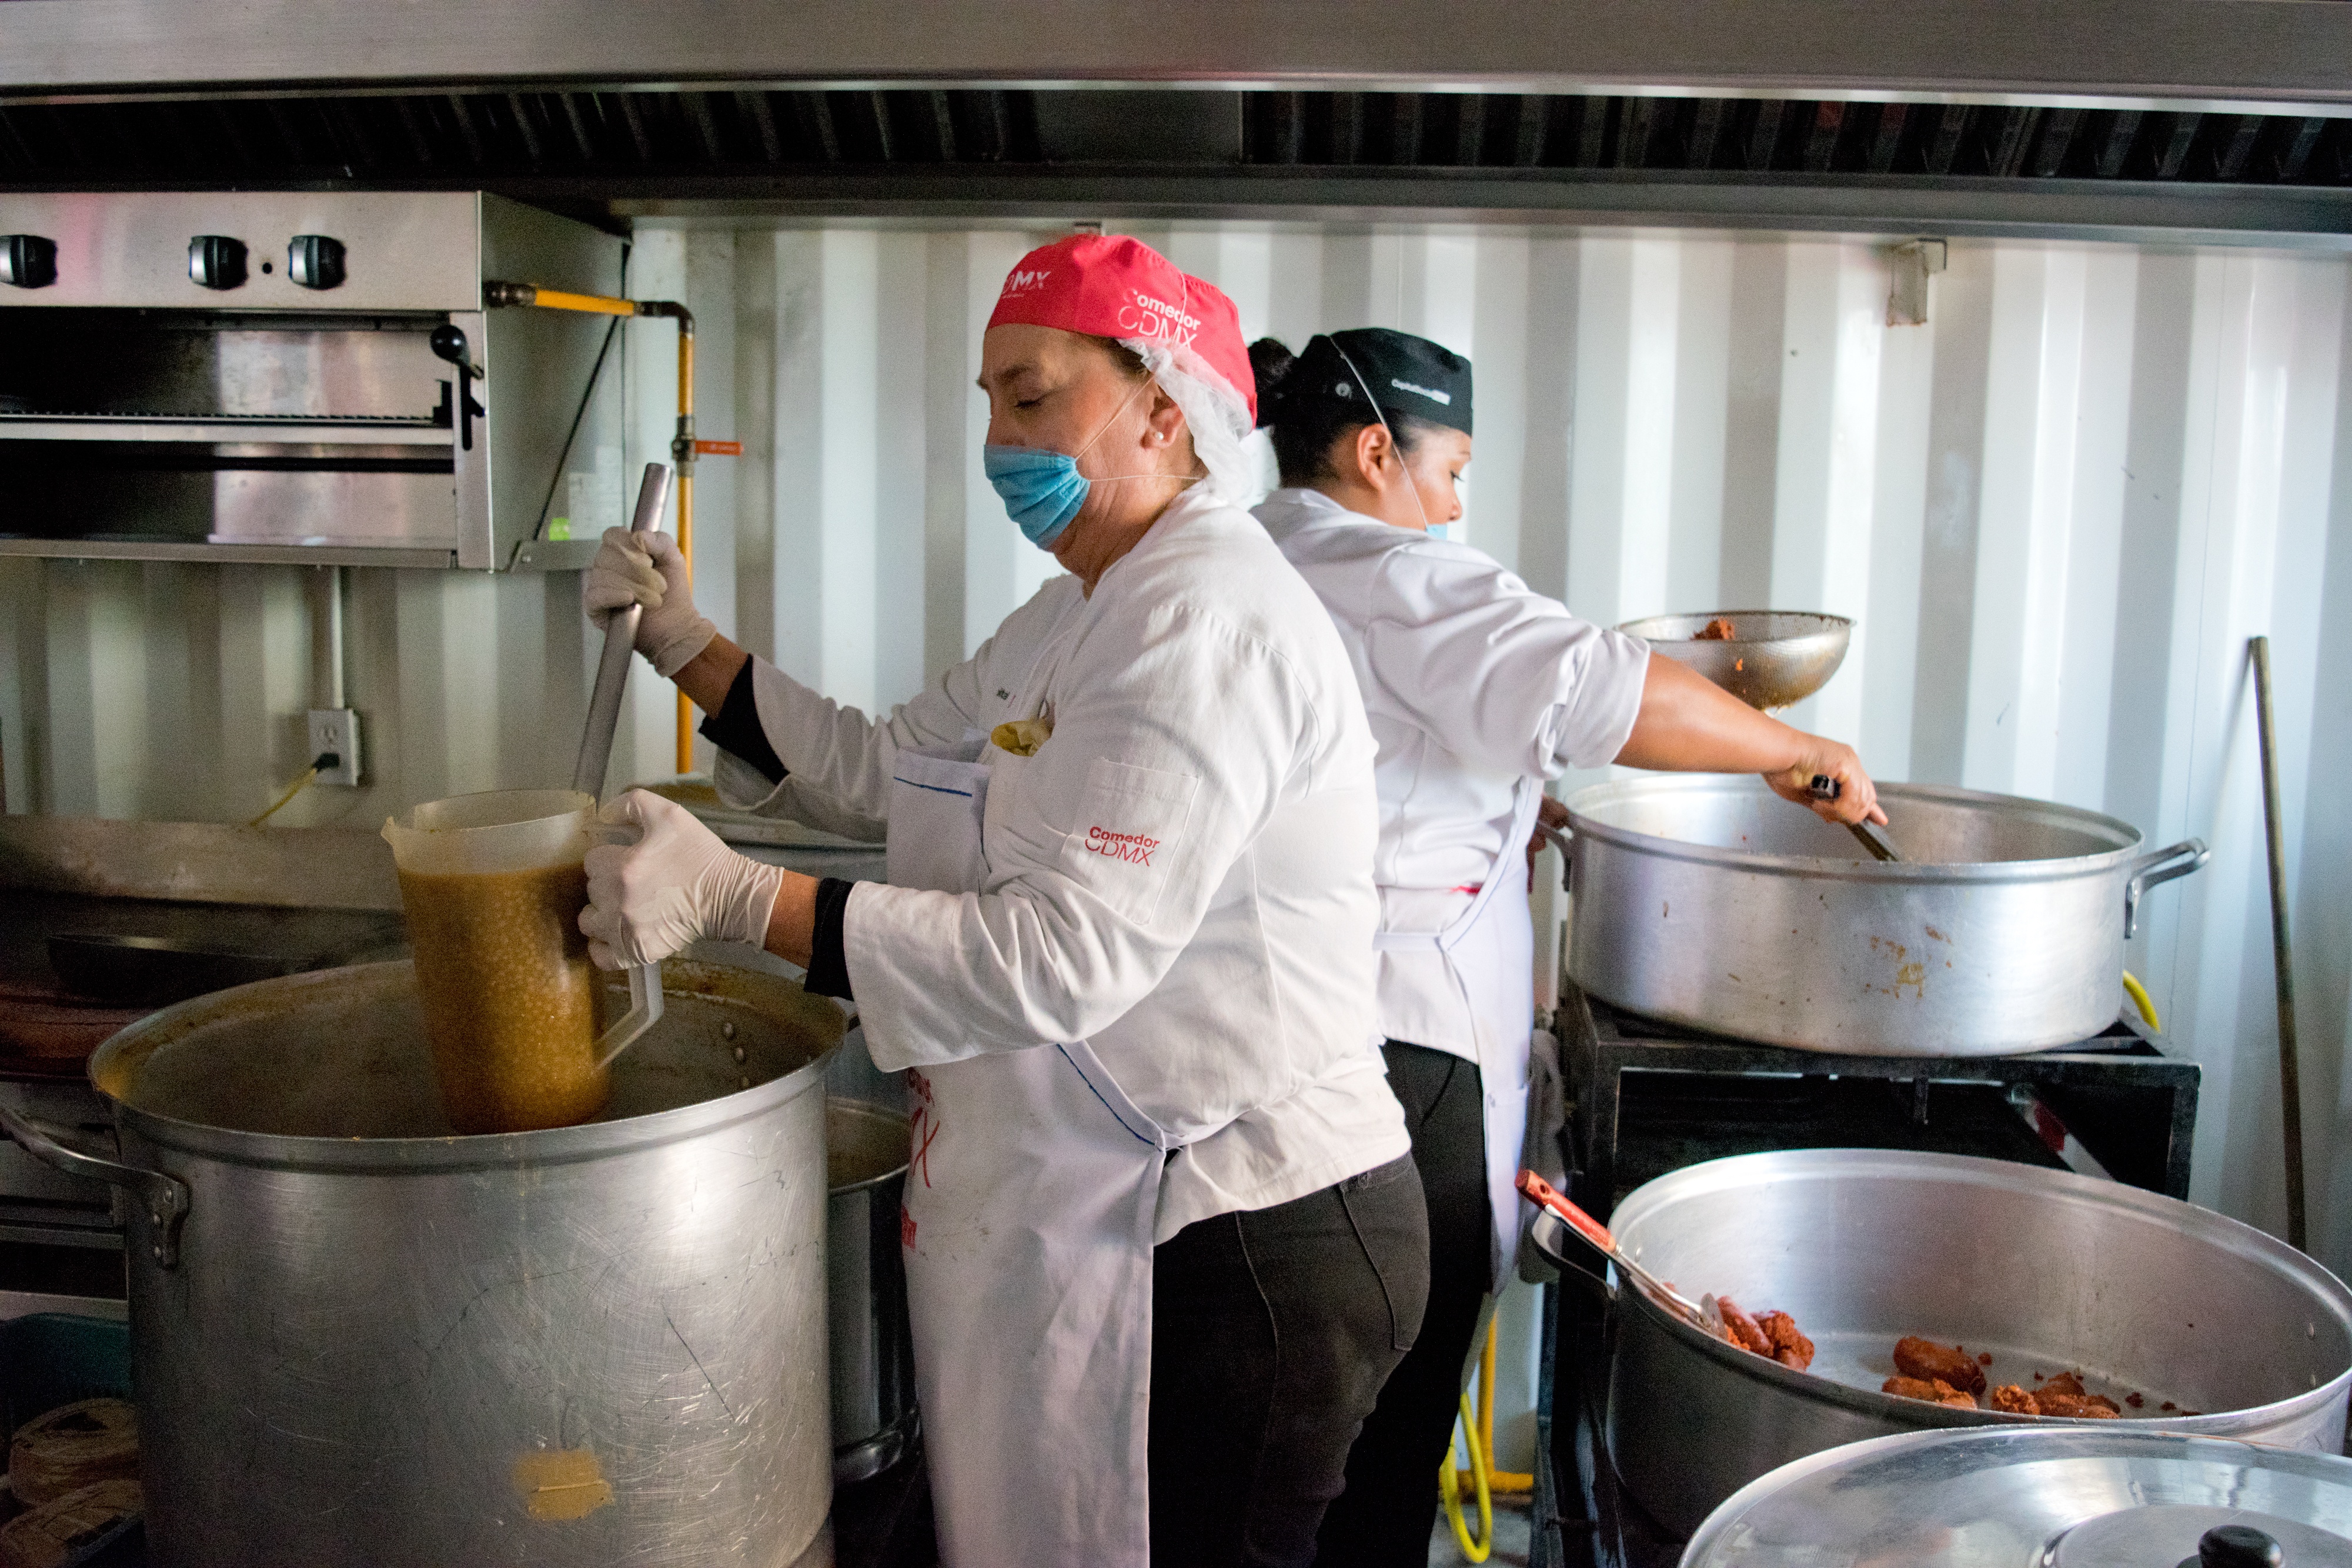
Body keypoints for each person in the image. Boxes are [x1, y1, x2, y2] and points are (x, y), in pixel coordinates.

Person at [577, 237, 1428, 1568]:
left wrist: (740, 895)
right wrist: (689, 645)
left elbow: (1061, 951)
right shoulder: (1072, 614)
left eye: (1029, 398)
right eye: (987, 399)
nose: (995, 438)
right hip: (1135, 1182)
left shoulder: (1202, 623)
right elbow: (881, 768)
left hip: (1246, 1227)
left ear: (1160, 413)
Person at [1247, 328, 1885, 1566]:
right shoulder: (1397, 572)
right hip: (1399, 1055)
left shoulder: (1257, 556)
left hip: (1282, 1036)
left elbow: (1370, 762)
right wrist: (1788, 750)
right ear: (1378, 449)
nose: (1454, 500)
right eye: (1452, 466)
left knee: (1293, 1438)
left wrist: (1495, 805)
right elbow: (1600, 686)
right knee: (1381, 1445)